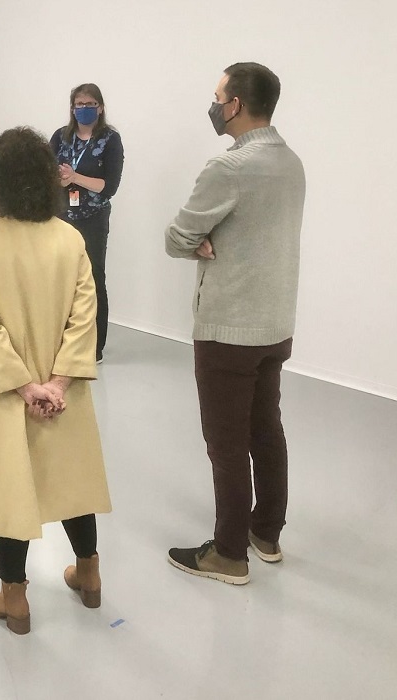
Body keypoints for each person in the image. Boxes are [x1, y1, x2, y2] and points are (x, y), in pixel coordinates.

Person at [0, 126, 111, 635]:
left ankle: (15, 601)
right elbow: (85, 318)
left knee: (10, 488)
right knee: (72, 479)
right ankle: (89, 575)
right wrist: (59, 384)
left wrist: (27, 388)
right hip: (63, 391)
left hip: (7, 393)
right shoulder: (70, 239)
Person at [164, 62, 305, 585]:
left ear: (236, 105)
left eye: (218, 97)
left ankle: (228, 554)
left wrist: (200, 243)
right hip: (275, 324)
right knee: (266, 430)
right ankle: (265, 534)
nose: (214, 106)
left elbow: (177, 236)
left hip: (228, 330)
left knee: (225, 444)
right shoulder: (291, 162)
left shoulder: (228, 168)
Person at [49, 84, 124, 362]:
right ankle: (61, 341)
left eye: (90, 104)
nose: (84, 109)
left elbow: (109, 186)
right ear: (72, 108)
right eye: (79, 104)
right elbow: (47, 173)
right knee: (61, 278)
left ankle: (95, 347)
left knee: (93, 278)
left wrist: (75, 178)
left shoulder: (110, 139)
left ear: (100, 107)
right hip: (61, 217)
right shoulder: (60, 136)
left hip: (93, 218)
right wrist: (59, 181)